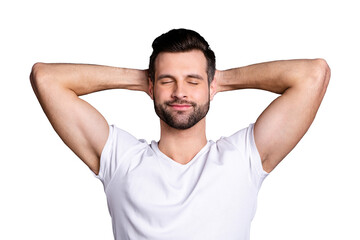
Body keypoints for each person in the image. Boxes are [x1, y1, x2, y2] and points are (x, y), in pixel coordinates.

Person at [30, 28, 330, 240]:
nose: (180, 92)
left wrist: (220, 80)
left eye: (192, 81)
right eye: (167, 81)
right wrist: (145, 79)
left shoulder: (243, 158)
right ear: (151, 87)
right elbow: (46, 78)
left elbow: (313, 74)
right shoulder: (120, 159)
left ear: (211, 86)